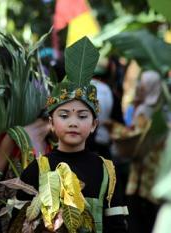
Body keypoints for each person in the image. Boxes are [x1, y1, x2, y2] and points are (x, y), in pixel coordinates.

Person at [13, 37, 128, 233]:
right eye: (64, 115)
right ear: (51, 123)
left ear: (93, 125)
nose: (73, 122)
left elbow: (116, 226)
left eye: (82, 116)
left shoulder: (106, 172)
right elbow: (17, 224)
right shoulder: (36, 169)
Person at [125, 70, 168, 233]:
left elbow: (136, 140)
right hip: (157, 168)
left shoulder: (144, 110)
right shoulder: (164, 108)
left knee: (138, 216)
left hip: (141, 170)